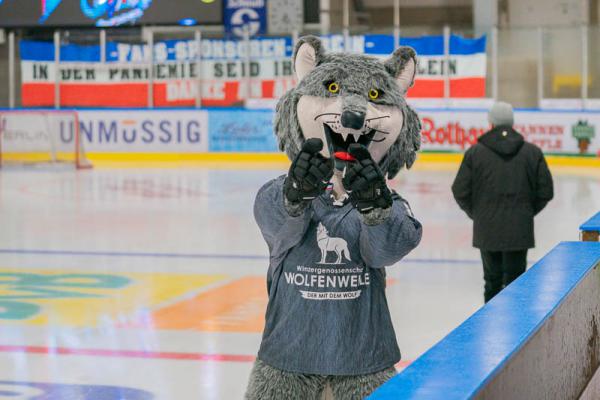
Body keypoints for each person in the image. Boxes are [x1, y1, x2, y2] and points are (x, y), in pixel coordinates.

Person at [452, 101, 554, 302]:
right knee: (517, 284)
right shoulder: (532, 152)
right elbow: (546, 191)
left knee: (492, 281)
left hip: (487, 230)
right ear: (512, 123)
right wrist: (525, 212)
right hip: (519, 230)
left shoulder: (475, 153)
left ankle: (491, 328)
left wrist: (479, 214)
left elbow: (460, 191)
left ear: (490, 123)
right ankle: (520, 331)